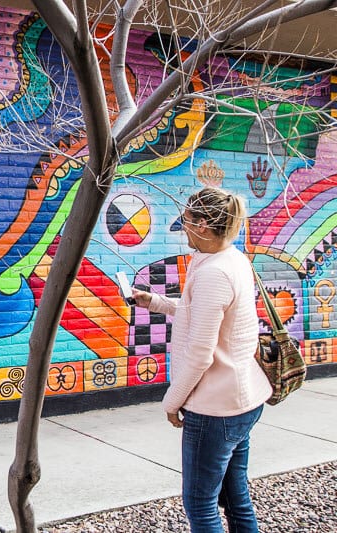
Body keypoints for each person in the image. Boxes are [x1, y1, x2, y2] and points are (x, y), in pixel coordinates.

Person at [132, 187, 272, 532]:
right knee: (235, 495)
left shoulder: (213, 272)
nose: (183, 229)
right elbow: (202, 315)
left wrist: (171, 401)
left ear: (204, 224)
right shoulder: (230, 259)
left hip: (215, 409)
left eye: (188, 221)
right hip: (243, 399)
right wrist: (155, 302)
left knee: (200, 502)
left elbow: (200, 352)